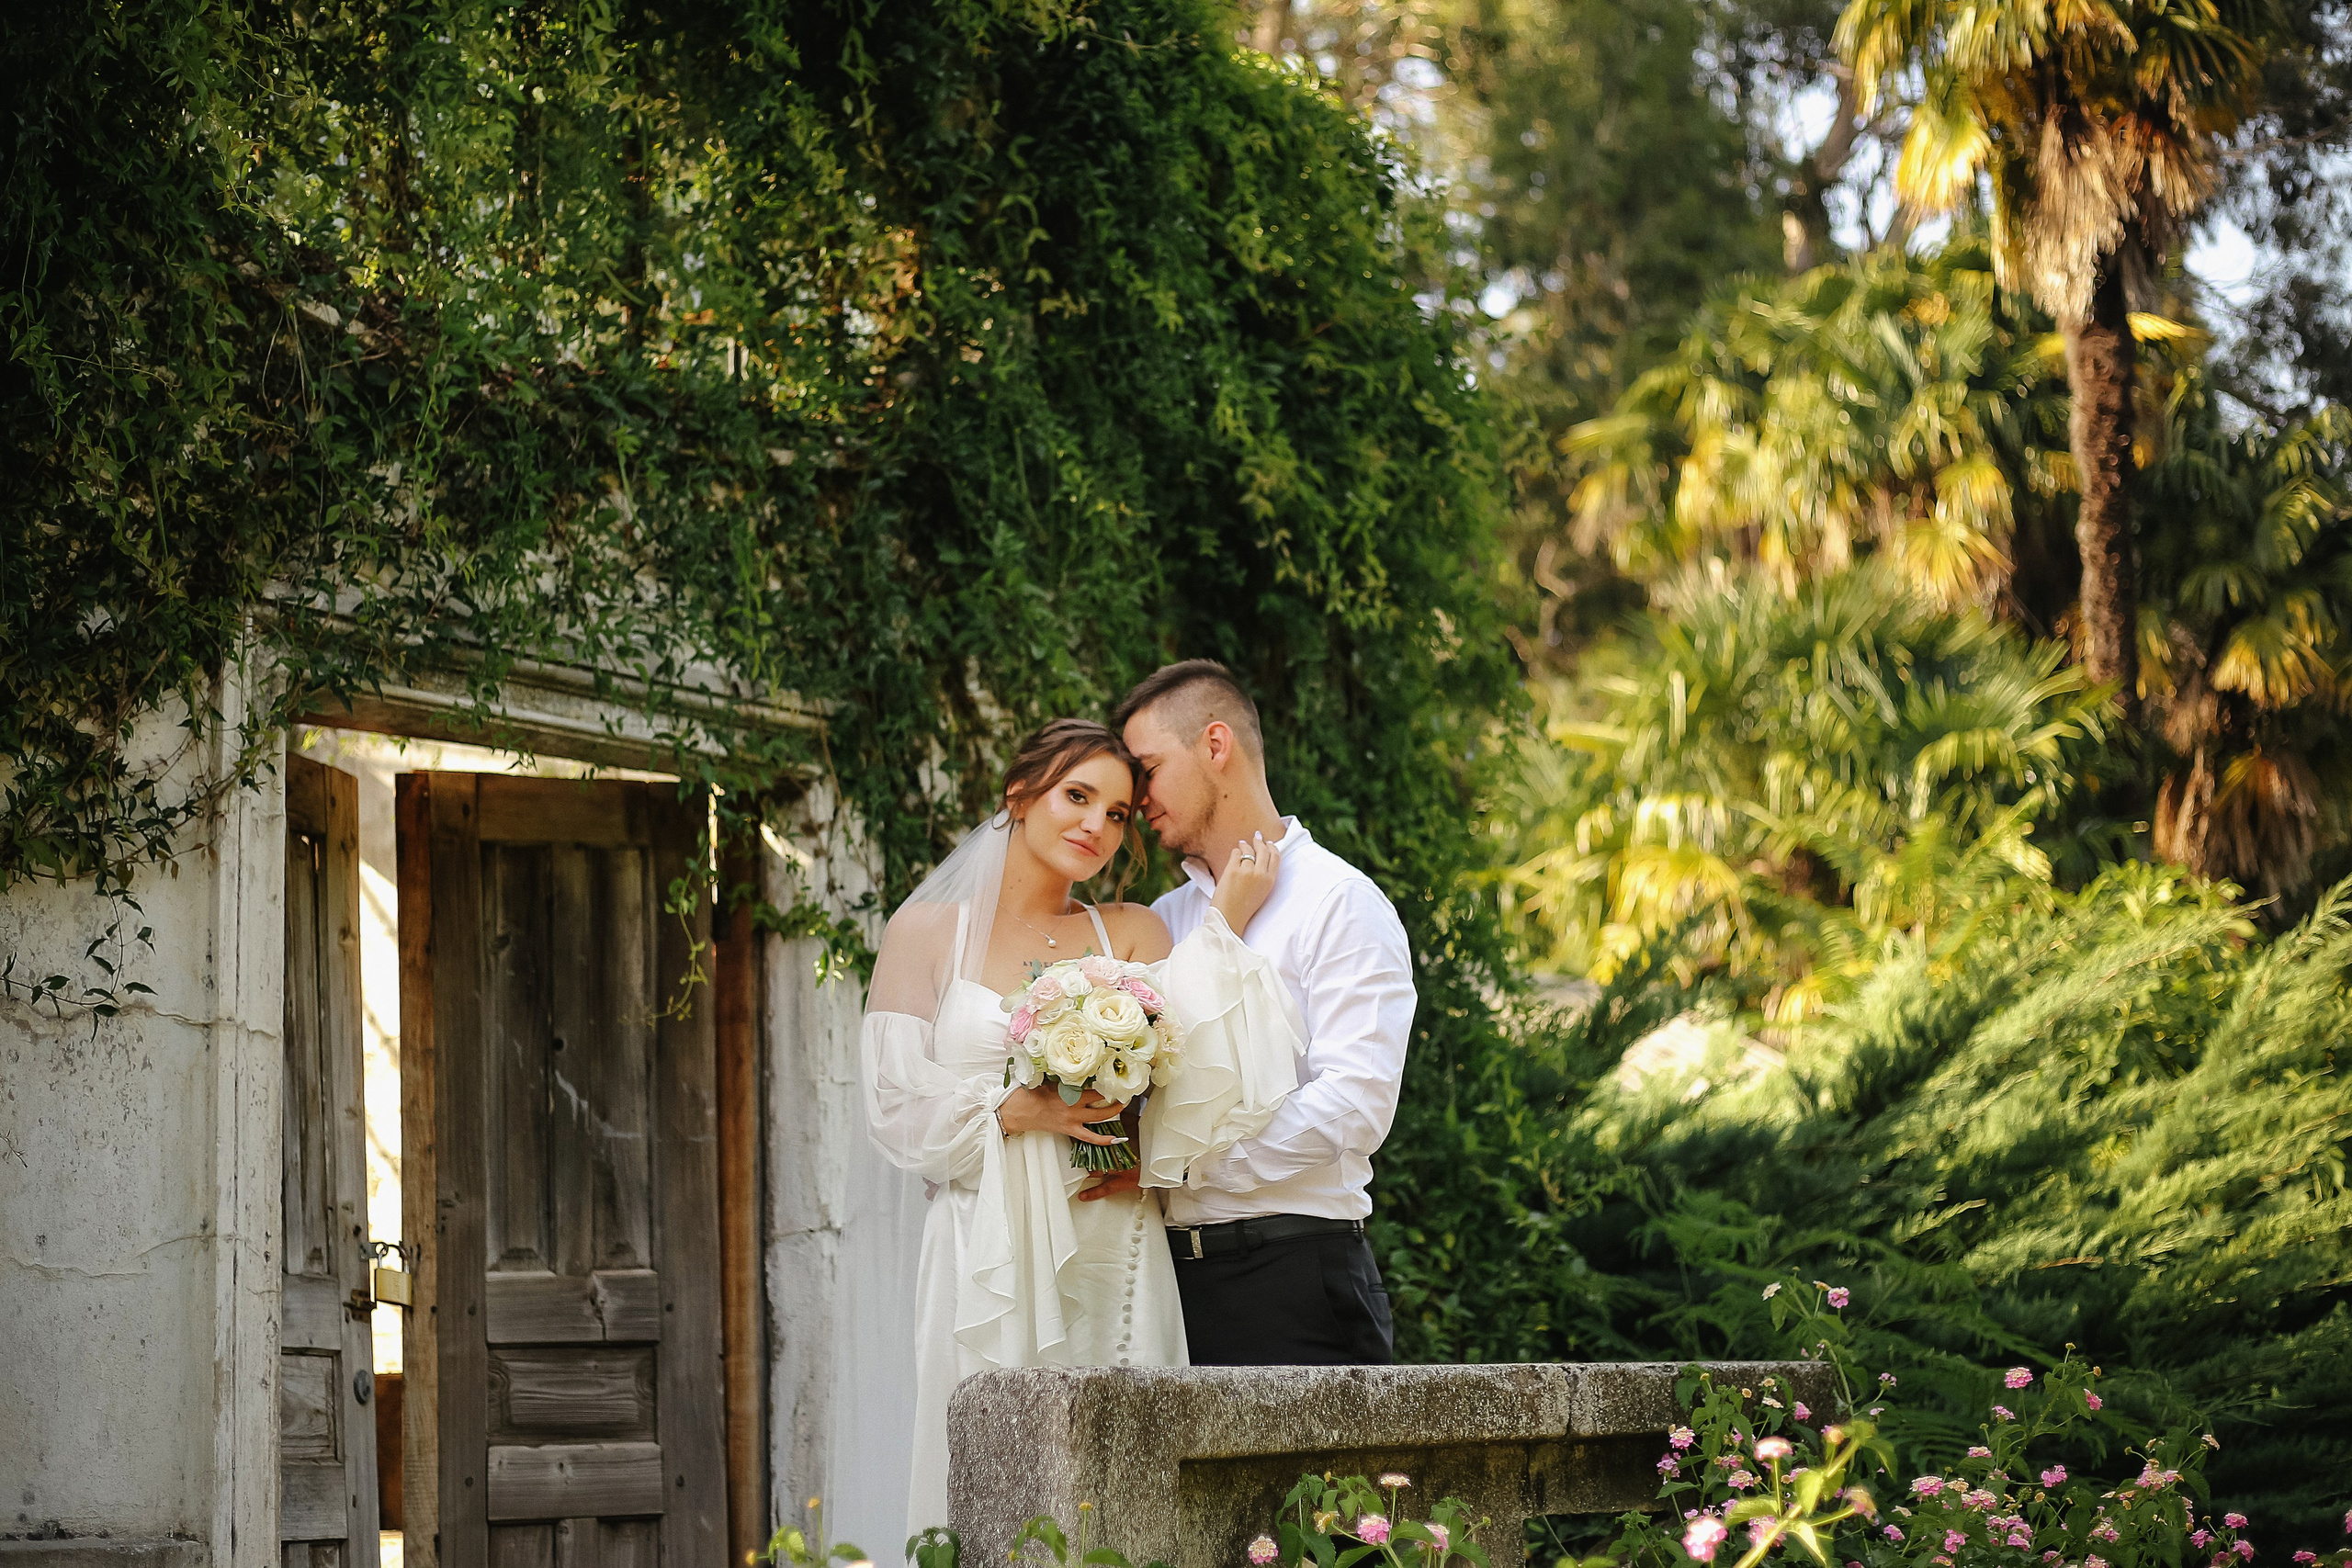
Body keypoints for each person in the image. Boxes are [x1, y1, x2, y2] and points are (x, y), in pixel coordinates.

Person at [856, 718, 1295, 1540]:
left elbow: (1195, 1081)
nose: (1097, 823)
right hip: (981, 1240)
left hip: (1110, 1235)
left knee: (1123, 1482)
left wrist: (1223, 925)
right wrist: (1008, 1110)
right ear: (1020, 795)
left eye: (1121, 812)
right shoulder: (923, 934)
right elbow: (892, 1102)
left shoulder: (1131, 933)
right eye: (1078, 795)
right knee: (985, 1480)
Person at [1097, 660, 1416, 1366]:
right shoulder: (1160, 924)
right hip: (1165, 1286)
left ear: (1216, 746)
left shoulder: (1340, 902)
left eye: (1147, 768)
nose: (1136, 796)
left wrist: (1186, 1164)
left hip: (1295, 1276)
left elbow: (1355, 1105)